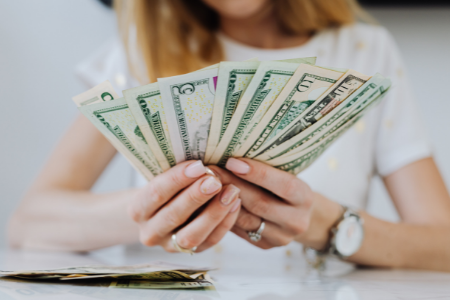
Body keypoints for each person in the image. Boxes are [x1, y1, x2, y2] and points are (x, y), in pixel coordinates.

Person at [8, 0, 450, 271]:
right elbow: (29, 223)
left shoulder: (366, 53)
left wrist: (325, 225)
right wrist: (157, 210)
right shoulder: (141, 51)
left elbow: (443, 247)